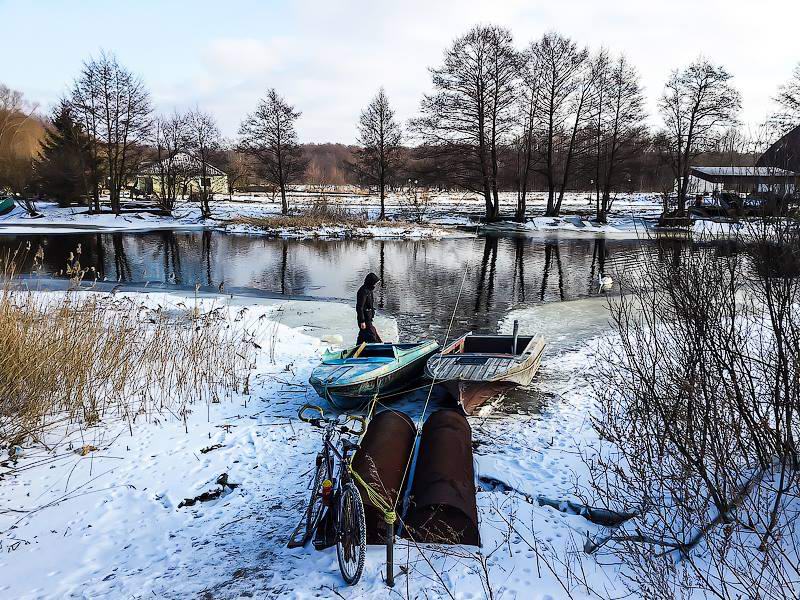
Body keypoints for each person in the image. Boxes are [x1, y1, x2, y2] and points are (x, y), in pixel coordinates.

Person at [356, 272, 382, 344]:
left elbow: (369, 305)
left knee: (364, 336)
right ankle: (379, 349)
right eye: (375, 283)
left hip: (368, 317)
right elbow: (359, 307)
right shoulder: (363, 291)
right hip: (365, 319)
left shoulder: (369, 290)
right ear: (371, 282)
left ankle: (357, 349)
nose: (376, 284)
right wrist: (362, 321)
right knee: (372, 335)